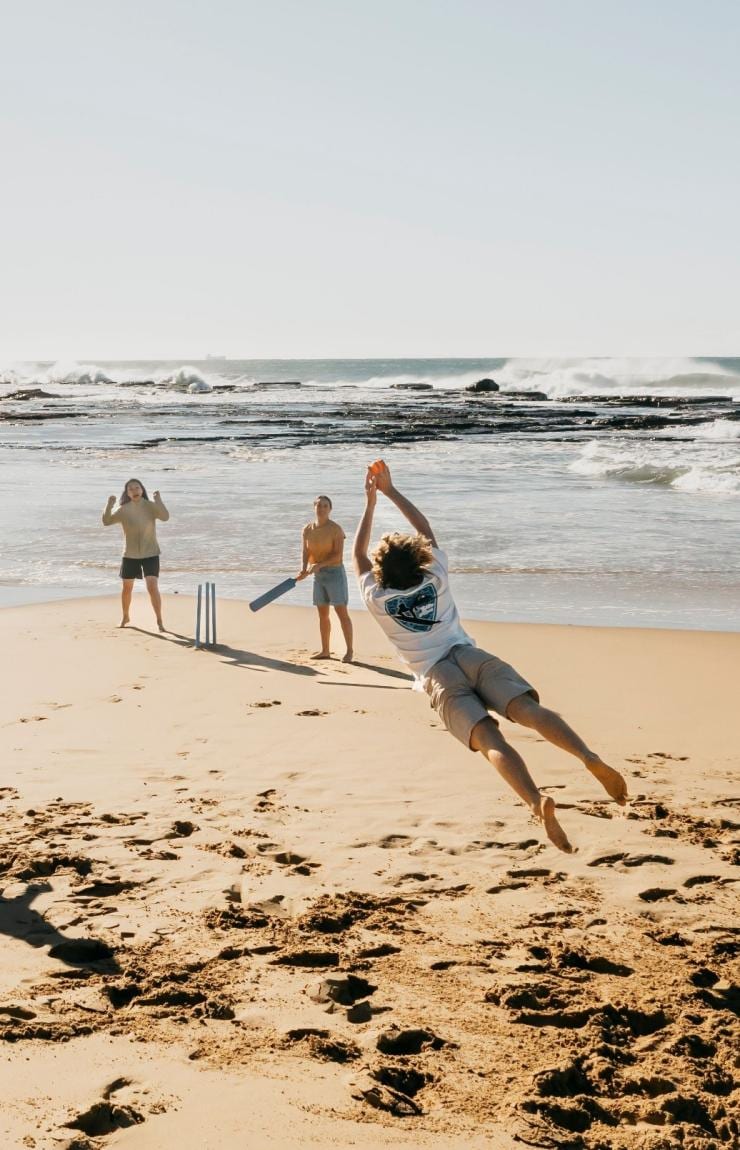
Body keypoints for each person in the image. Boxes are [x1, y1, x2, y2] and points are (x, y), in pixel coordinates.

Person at [352, 462, 628, 853]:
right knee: (529, 712)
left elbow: (358, 554)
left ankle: (536, 802)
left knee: (489, 739)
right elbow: (425, 530)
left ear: (382, 571)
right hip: (469, 655)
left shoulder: (377, 598)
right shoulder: (436, 576)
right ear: (418, 560)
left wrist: (368, 503)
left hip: (437, 675)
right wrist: (389, 491)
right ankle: (588, 755)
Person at [102, 479, 169, 632]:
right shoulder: (123, 509)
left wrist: (158, 500)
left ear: (142, 489)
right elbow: (106, 521)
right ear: (127, 493)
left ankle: (159, 621)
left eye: (137, 487)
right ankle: (125, 616)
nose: (134, 490)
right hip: (130, 555)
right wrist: (109, 505)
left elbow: (165, 517)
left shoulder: (150, 506)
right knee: (127, 588)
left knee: (152, 587)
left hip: (151, 553)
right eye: (130, 489)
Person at [296, 495, 353, 662]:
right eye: (319, 505)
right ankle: (325, 651)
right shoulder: (307, 529)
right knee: (322, 614)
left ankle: (349, 651)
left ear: (330, 509)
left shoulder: (336, 529)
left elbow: (338, 556)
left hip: (335, 574)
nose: (321, 509)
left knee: (342, 613)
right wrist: (303, 568)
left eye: (325, 506)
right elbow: (306, 552)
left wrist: (319, 565)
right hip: (318, 576)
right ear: (314, 508)